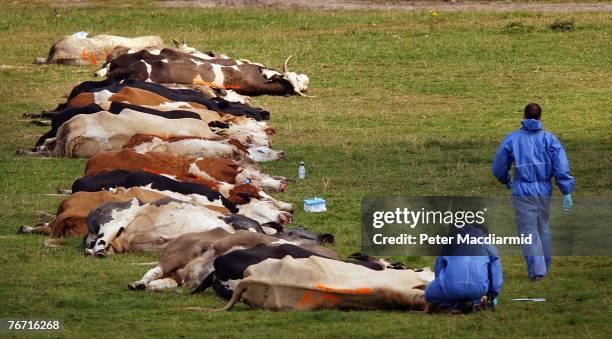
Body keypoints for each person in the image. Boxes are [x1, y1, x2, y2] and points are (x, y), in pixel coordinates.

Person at [491, 103, 574, 280]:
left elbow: (499, 166)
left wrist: (506, 180)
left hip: (523, 189)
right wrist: (566, 191)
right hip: (544, 189)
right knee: (543, 227)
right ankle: (545, 265)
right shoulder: (549, 139)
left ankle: (537, 271)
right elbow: (561, 167)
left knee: (528, 231)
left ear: (524, 116)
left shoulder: (513, 139)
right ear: (540, 117)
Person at [425, 224, 503, 314]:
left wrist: (441, 286)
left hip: (452, 288)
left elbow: (439, 269)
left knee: (428, 294)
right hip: (478, 290)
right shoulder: (487, 245)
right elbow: (495, 273)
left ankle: (454, 305)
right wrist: (492, 296)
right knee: (474, 294)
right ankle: (474, 303)